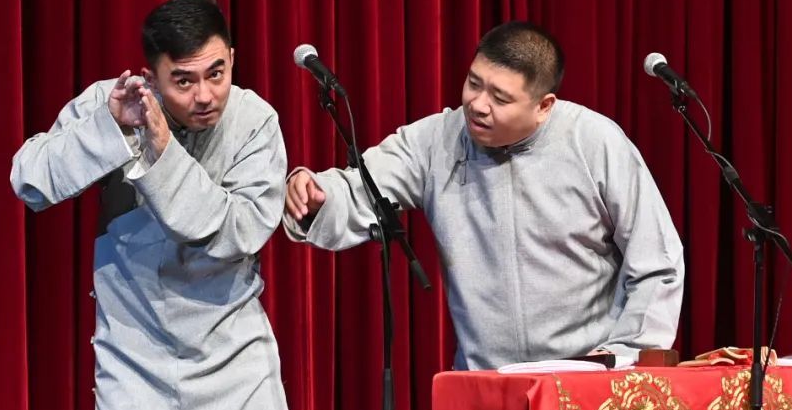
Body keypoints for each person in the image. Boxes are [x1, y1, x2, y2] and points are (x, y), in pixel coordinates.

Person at [11, 0, 318, 410]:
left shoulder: (256, 122)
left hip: (232, 364)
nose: (205, 95)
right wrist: (110, 129)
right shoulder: (120, 103)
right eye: (183, 81)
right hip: (136, 364)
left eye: (216, 73)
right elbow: (29, 179)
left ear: (233, 59)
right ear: (152, 76)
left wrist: (160, 151)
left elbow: (233, 232)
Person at [284, 21, 684, 369]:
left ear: (544, 106)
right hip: (484, 384)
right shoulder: (436, 141)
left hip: (586, 380)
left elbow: (657, 261)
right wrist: (319, 196)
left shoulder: (594, 142)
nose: (477, 104)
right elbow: (363, 186)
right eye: (474, 83)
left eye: (500, 98)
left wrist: (624, 356)